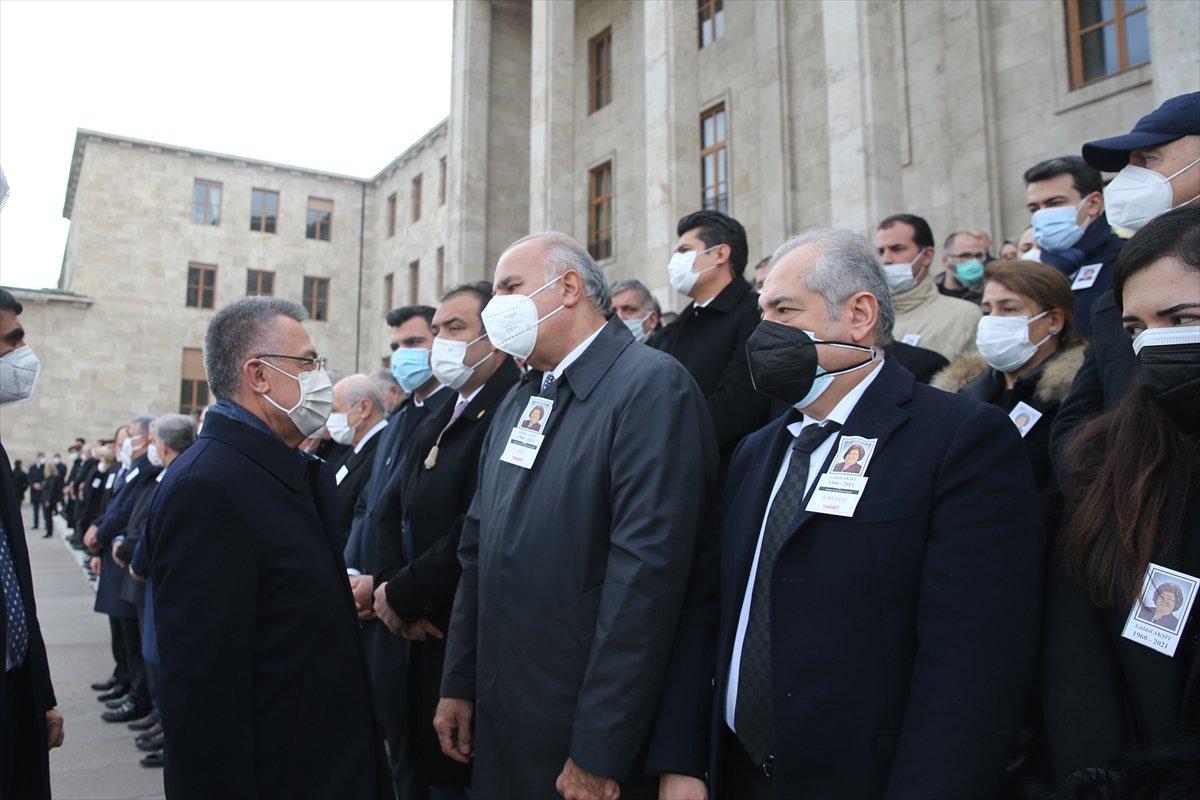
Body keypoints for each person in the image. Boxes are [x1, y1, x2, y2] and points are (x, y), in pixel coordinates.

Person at [715, 229, 1041, 799]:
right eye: (760, 309)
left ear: (860, 314)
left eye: (784, 309)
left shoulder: (958, 439)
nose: (763, 331)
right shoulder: (756, 451)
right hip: (738, 774)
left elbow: (972, 662)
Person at [436, 233, 718, 800]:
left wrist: (599, 748)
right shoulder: (521, 398)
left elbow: (646, 584)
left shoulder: (651, 388)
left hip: (578, 739)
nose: (496, 308)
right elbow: (478, 549)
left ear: (568, 288)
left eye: (510, 288)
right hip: (501, 718)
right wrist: (460, 682)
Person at [147, 296, 390, 798]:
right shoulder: (209, 486)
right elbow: (201, 691)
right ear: (258, 376)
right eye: (308, 363)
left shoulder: (277, 468)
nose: (320, 377)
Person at [1040, 206, 1199, 792]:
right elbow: (1080, 671)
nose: (1155, 344)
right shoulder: (1116, 467)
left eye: (1181, 317)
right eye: (1135, 329)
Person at [372, 282, 519, 798]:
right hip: (410, 626)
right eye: (435, 331)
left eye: (455, 329)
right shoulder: (437, 412)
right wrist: (390, 589)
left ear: (495, 337)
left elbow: (478, 522)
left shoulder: (511, 407)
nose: (440, 343)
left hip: (455, 628)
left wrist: (408, 592)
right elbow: (391, 508)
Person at [1051, 92, 1200, 466]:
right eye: (1128, 167)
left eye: (1147, 160)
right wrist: (1112, 493)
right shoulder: (1113, 301)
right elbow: (1075, 421)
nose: (1130, 179)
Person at [343, 303, 452, 799]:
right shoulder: (405, 415)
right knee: (398, 747)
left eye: (413, 343)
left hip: (425, 611)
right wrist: (375, 580)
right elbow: (381, 507)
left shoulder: (452, 408)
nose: (402, 356)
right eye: (395, 348)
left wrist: (391, 588)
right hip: (386, 604)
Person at [932, 259, 1085, 497]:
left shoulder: (1077, 395)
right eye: (986, 310)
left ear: (1054, 321)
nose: (993, 319)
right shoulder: (964, 394)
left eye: (1009, 308)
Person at [1, 287, 63, 799]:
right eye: (9, 341)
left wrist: (39, 695)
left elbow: (16, 588)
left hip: (14, 690)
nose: (22, 355)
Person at [650, 210, 773, 459]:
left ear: (720, 253)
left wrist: (672, 445)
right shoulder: (676, 328)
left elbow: (737, 405)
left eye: (684, 250)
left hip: (722, 472)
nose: (675, 261)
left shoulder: (756, 315)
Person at [126, 413, 199, 768]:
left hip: (170, 584)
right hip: (161, 581)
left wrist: (138, 563)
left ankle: (173, 735)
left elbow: (155, 531)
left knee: (167, 662)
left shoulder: (182, 475)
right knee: (154, 656)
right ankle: (162, 721)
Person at [84, 416, 158, 724]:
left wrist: (104, 535)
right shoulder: (128, 470)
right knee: (122, 627)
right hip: (117, 551)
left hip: (127, 555)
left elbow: (130, 514)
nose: (122, 445)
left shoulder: (148, 471)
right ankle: (125, 679)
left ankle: (139, 694)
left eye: (127, 438)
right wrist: (99, 532)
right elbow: (113, 508)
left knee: (134, 632)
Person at [1024, 156, 1125, 337]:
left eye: (1054, 203)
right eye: (1034, 209)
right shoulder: (1030, 271)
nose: (1042, 215)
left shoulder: (1127, 260)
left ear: (1093, 204)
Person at [875, 213, 981, 360]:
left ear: (927, 256)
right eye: (880, 251)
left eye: (897, 249)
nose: (886, 259)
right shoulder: (867, 319)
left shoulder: (965, 316)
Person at [327, 374, 389, 546]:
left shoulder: (381, 450)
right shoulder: (357, 449)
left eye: (334, 411)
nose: (329, 419)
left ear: (364, 408)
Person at [937, 230, 986, 303]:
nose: (974, 261)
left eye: (978, 255)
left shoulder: (989, 295)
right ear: (945, 260)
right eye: (965, 256)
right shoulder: (930, 294)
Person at [609, 278, 660, 344]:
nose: (619, 317)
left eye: (629, 310)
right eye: (613, 312)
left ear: (652, 319)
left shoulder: (670, 352)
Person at [38, 463, 63, 539]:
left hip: (48, 500)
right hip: (45, 499)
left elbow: (51, 490)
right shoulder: (47, 478)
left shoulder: (53, 478)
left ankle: (49, 532)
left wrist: (48, 500)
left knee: (48, 517)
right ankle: (49, 531)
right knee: (47, 517)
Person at [27, 454, 45, 530]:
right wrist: (33, 484)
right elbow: (29, 478)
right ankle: (36, 524)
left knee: (45, 509)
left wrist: (41, 485)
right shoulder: (32, 467)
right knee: (35, 509)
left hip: (43, 491)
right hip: (34, 491)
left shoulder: (45, 467)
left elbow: (47, 478)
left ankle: (47, 524)